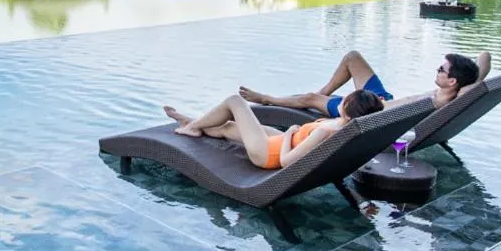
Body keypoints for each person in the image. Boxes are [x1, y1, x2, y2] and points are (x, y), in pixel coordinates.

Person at [163, 90, 385, 170]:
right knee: (228, 127)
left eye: (345, 100)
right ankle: (190, 122)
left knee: (235, 102)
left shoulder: (326, 132)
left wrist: (288, 133)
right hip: (278, 142)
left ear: (348, 110)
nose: (341, 99)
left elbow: (286, 161)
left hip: (269, 154)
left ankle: (191, 126)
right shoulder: (346, 127)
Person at [237, 50, 490, 117]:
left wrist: (373, 103)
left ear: (452, 80)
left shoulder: (439, 99)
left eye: (441, 70)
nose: (437, 71)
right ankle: (323, 94)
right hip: (385, 100)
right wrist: (473, 73)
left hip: (373, 111)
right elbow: (485, 59)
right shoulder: (461, 88)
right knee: (353, 58)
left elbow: (390, 113)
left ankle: (266, 98)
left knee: (307, 100)